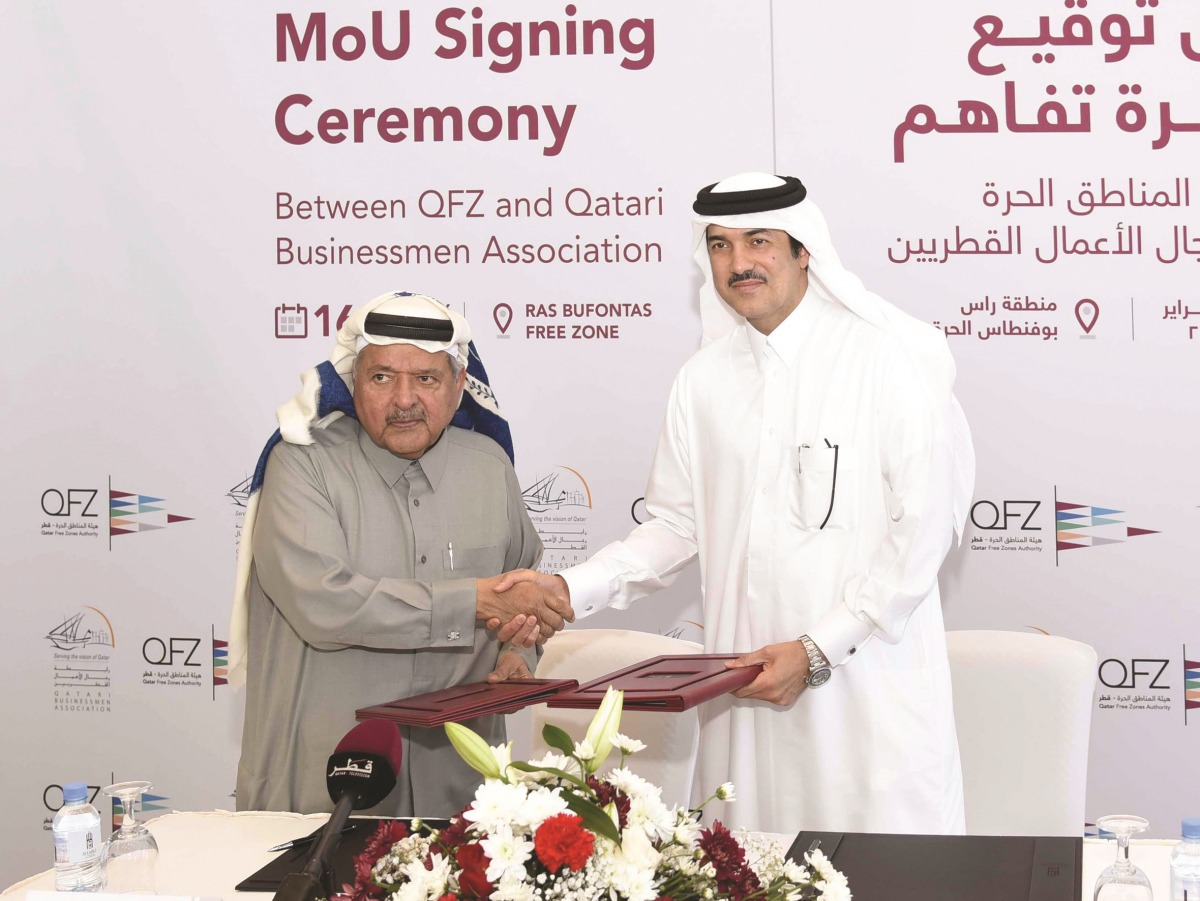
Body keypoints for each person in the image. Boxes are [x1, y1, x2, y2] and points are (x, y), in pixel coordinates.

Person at [496, 173, 975, 835]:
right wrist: (566, 588)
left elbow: (921, 534)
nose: (738, 262)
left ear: (804, 248)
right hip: (743, 702)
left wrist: (816, 650)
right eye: (719, 245)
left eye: (759, 241)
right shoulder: (704, 379)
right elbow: (673, 525)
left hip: (864, 702)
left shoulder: (887, 359)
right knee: (750, 867)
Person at [230, 291, 572, 816]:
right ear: (352, 381)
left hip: (462, 785)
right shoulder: (302, 466)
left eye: (427, 379)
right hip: (327, 784)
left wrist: (517, 653)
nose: (404, 400)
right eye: (383, 377)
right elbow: (324, 604)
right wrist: (474, 605)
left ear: (459, 386)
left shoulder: (490, 468)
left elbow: (520, 593)